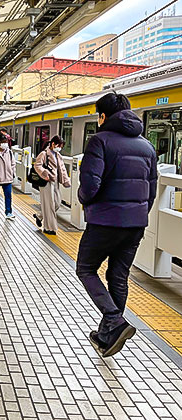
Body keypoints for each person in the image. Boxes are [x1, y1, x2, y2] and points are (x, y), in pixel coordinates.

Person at [76, 92, 157, 357]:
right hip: (136, 224)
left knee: (86, 269)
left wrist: (86, 201)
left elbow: (89, 185)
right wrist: (138, 214)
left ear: (103, 116)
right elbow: (152, 190)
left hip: (105, 221)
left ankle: (113, 318)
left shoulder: (99, 141)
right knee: (118, 276)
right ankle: (107, 335)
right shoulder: (147, 146)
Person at [33, 135, 71, 235]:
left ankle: (40, 216)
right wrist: (44, 174)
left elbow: (62, 169)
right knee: (49, 205)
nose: (60, 148)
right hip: (46, 182)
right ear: (53, 144)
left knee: (57, 203)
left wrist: (66, 181)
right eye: (59, 146)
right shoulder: (44, 153)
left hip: (56, 182)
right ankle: (49, 228)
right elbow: (37, 165)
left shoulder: (58, 156)